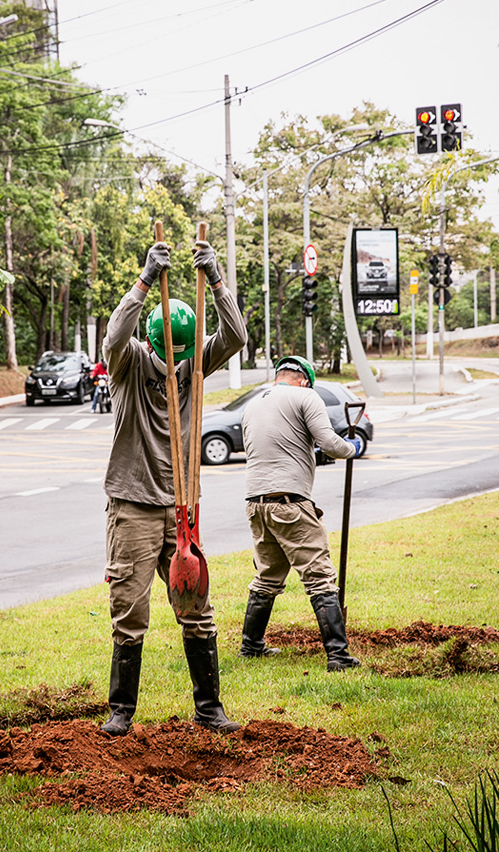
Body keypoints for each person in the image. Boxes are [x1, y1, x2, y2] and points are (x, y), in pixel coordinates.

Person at [100, 237, 247, 737]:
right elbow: (113, 337)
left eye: (181, 356)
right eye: (171, 354)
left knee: (197, 607)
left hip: (183, 505)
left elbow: (237, 337)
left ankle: (209, 708)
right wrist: (143, 281)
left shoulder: (194, 367)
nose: (176, 364)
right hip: (135, 504)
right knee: (130, 607)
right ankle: (122, 709)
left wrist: (218, 282)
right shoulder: (130, 363)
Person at [239, 354, 362, 672]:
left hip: (256, 503)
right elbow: (329, 442)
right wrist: (351, 448)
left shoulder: (253, 403)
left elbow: (274, 446)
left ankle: (250, 647)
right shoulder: (306, 395)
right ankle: (338, 655)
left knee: (267, 576)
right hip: (290, 504)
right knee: (319, 576)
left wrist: (310, 456)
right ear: (304, 379)